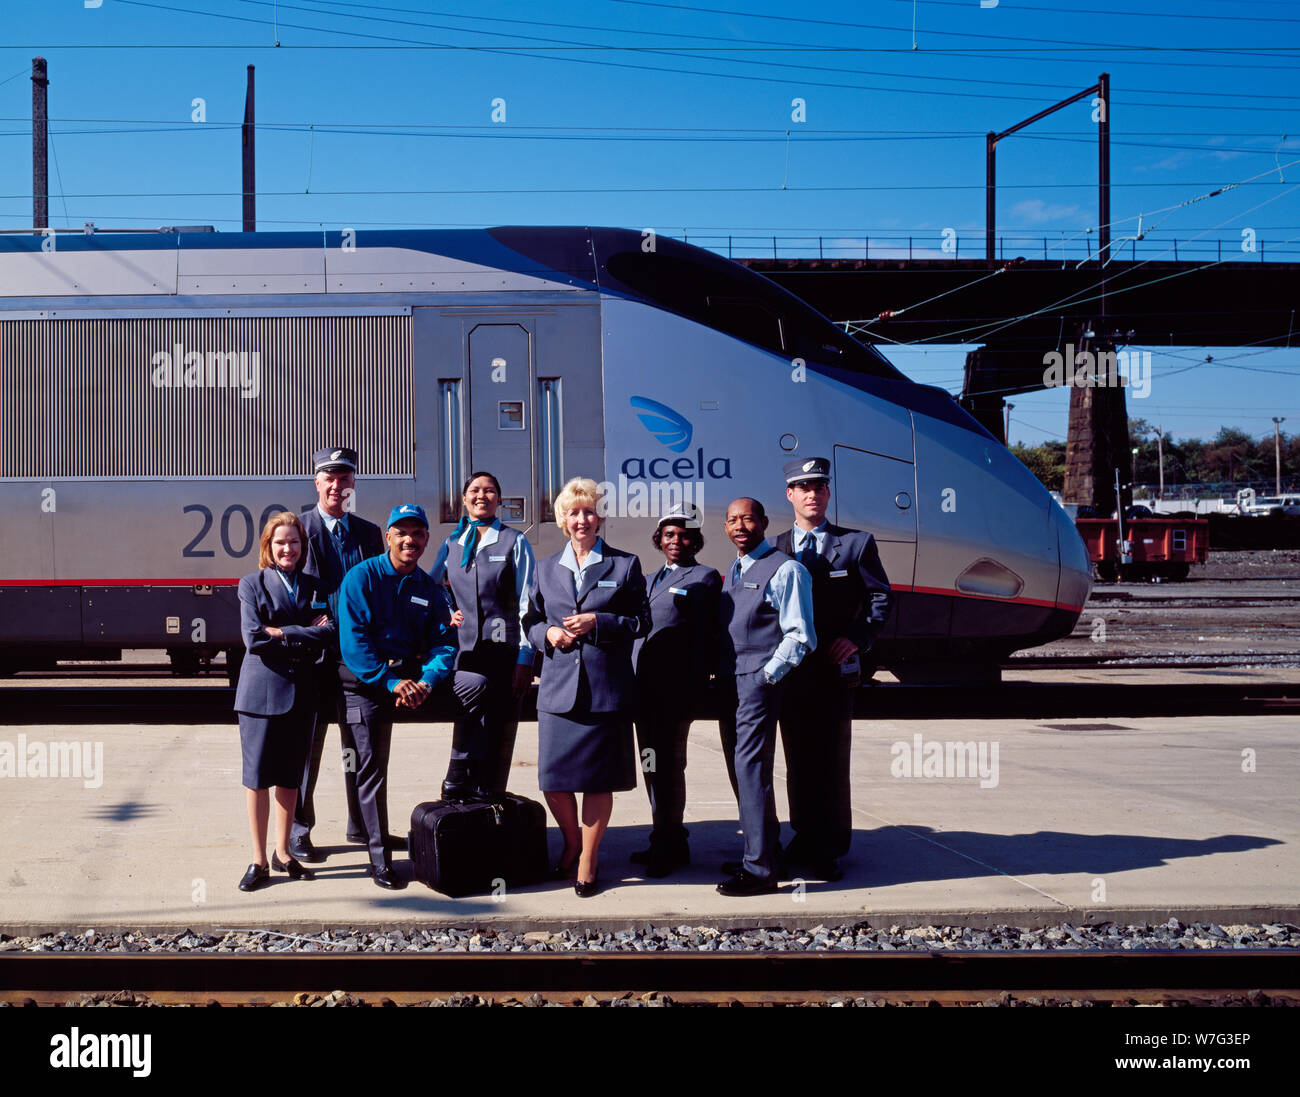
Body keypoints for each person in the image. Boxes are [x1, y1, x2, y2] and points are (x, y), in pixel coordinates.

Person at [337, 503, 489, 889]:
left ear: (425, 540)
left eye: (417, 534)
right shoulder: (362, 578)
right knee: (371, 766)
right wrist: (389, 682)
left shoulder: (429, 587)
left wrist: (426, 681)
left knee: (475, 685)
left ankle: (456, 781)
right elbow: (354, 643)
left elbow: (443, 643)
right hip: (369, 682)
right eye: (401, 532)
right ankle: (379, 857)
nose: (409, 540)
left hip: (412, 681)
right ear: (387, 537)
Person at [523, 477, 650, 897]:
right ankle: (573, 842)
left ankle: (588, 861)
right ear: (562, 519)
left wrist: (600, 622)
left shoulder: (625, 564)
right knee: (553, 781)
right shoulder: (544, 568)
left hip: (605, 690)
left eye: (589, 511)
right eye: (574, 512)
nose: (582, 519)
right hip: (559, 690)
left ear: (600, 517)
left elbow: (641, 622)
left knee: (598, 781)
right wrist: (547, 636)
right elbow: (530, 620)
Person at [773, 457, 894, 882]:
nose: (812, 494)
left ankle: (830, 845)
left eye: (819, 487)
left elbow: (881, 600)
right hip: (791, 673)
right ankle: (803, 835)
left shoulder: (856, 544)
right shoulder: (776, 548)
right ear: (790, 495)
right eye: (803, 487)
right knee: (797, 759)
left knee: (830, 759)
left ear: (827, 494)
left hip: (833, 670)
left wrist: (858, 638)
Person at [290, 446, 386, 864]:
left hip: (356, 658)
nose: (336, 484)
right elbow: (285, 587)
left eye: (344, 477)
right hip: (314, 657)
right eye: (329, 477)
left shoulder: (368, 533)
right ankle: (298, 830)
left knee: (359, 746)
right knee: (308, 747)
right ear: (316, 482)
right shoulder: (299, 528)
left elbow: (379, 590)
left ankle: (362, 826)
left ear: (353, 484)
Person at [715, 497, 815, 897]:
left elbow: (800, 635)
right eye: (732, 519)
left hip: (757, 682)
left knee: (751, 769)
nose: (740, 526)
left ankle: (759, 871)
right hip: (730, 682)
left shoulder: (787, 569)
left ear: (763, 523)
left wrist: (767, 676)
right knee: (742, 770)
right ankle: (765, 851)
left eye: (748, 519)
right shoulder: (735, 569)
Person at [234, 512, 335, 892]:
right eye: (280, 542)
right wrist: (305, 632)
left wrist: (281, 631)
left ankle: (283, 853)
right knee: (258, 780)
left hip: (302, 695)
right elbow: (253, 639)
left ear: (303, 547)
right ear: (267, 547)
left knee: (291, 780)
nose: (287, 548)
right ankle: (259, 861)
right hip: (259, 696)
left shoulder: (317, 586)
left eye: (294, 541)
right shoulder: (250, 584)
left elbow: (329, 634)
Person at [429, 471, 537, 798]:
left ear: (499, 500)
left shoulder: (515, 542)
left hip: (505, 657)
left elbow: (527, 603)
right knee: (469, 727)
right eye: (474, 490)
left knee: (499, 736)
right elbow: (431, 589)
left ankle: (491, 805)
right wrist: (446, 611)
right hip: (465, 658)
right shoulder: (451, 544)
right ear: (464, 499)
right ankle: (458, 791)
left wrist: (525, 658)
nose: (481, 496)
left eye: (490, 490)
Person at [630, 505, 721, 877]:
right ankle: (663, 837)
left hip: (674, 693)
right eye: (669, 534)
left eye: (684, 535)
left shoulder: (705, 577)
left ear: (695, 539)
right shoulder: (649, 579)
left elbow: (707, 636)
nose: (676, 541)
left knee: (668, 766)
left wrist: (698, 684)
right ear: (659, 539)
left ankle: (669, 846)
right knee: (651, 764)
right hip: (643, 691)